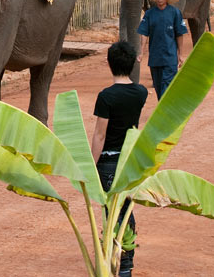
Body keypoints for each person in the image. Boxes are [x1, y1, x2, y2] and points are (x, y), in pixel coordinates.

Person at [90, 41, 148, 277]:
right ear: (133, 63)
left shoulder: (106, 97)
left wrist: (91, 165)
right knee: (126, 212)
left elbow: (100, 135)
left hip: (108, 162)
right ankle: (126, 263)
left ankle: (114, 261)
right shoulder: (141, 93)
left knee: (111, 212)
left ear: (109, 64)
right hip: (129, 161)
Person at [137, 0, 187, 99]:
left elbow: (179, 34)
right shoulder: (149, 14)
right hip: (155, 58)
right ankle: (163, 106)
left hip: (170, 58)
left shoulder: (175, 13)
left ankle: (167, 109)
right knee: (158, 87)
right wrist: (141, 52)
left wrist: (180, 54)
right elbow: (144, 34)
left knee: (167, 86)